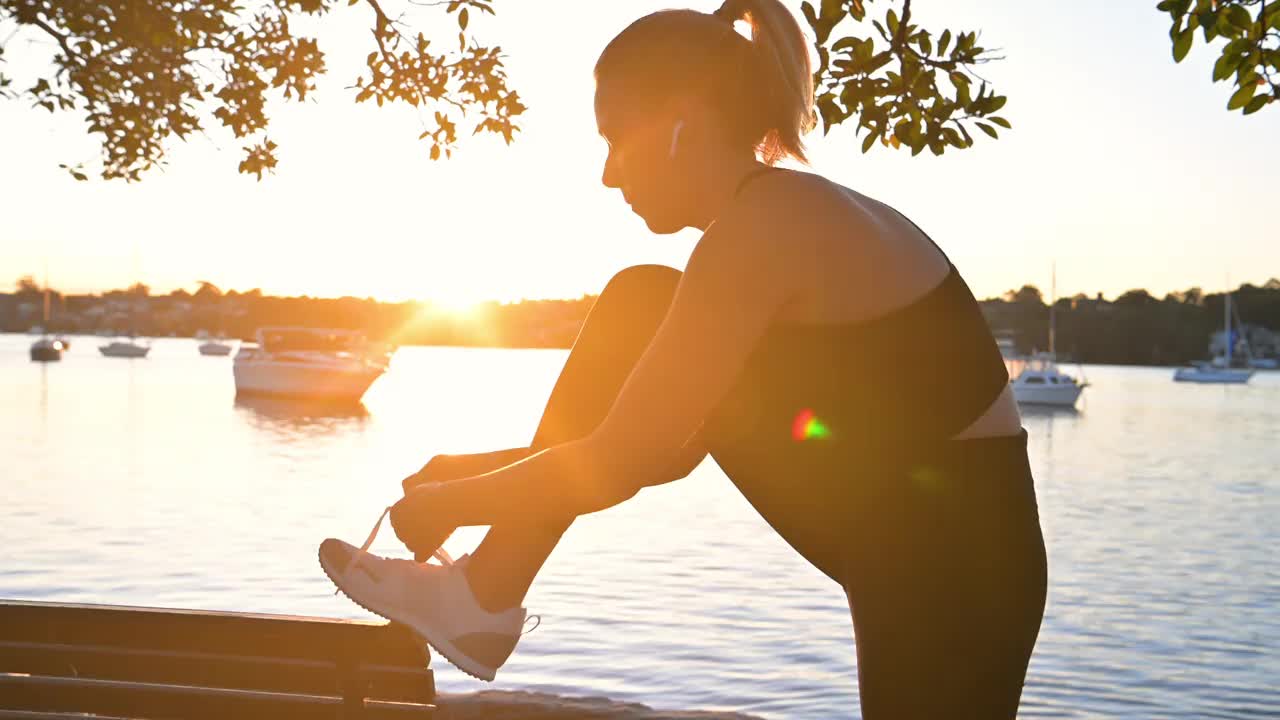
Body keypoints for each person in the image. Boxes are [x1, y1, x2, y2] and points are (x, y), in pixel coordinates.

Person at [320, 1, 1047, 716]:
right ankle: (486, 592)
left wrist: (457, 501)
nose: (608, 174)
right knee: (642, 304)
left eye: (615, 140)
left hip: (957, 562)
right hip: (909, 531)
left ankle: (483, 595)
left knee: (640, 305)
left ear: (682, 124)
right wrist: (481, 475)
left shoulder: (764, 227)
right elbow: (674, 445)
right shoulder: (766, 220)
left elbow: (623, 458)